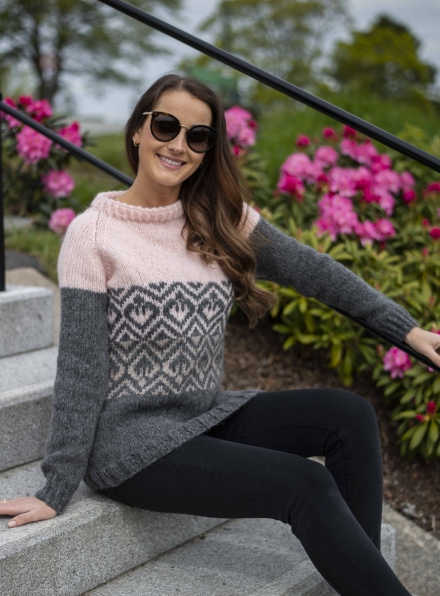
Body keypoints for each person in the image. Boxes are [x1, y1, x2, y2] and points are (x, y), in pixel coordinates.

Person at [2, 73, 439, 596]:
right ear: (138, 130)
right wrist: (56, 487)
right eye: (166, 126)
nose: (178, 145)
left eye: (198, 136)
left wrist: (406, 330)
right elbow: (80, 369)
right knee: (303, 482)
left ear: (209, 149)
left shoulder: (218, 217)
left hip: (200, 416)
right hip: (130, 445)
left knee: (349, 415)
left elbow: (313, 270)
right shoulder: (92, 236)